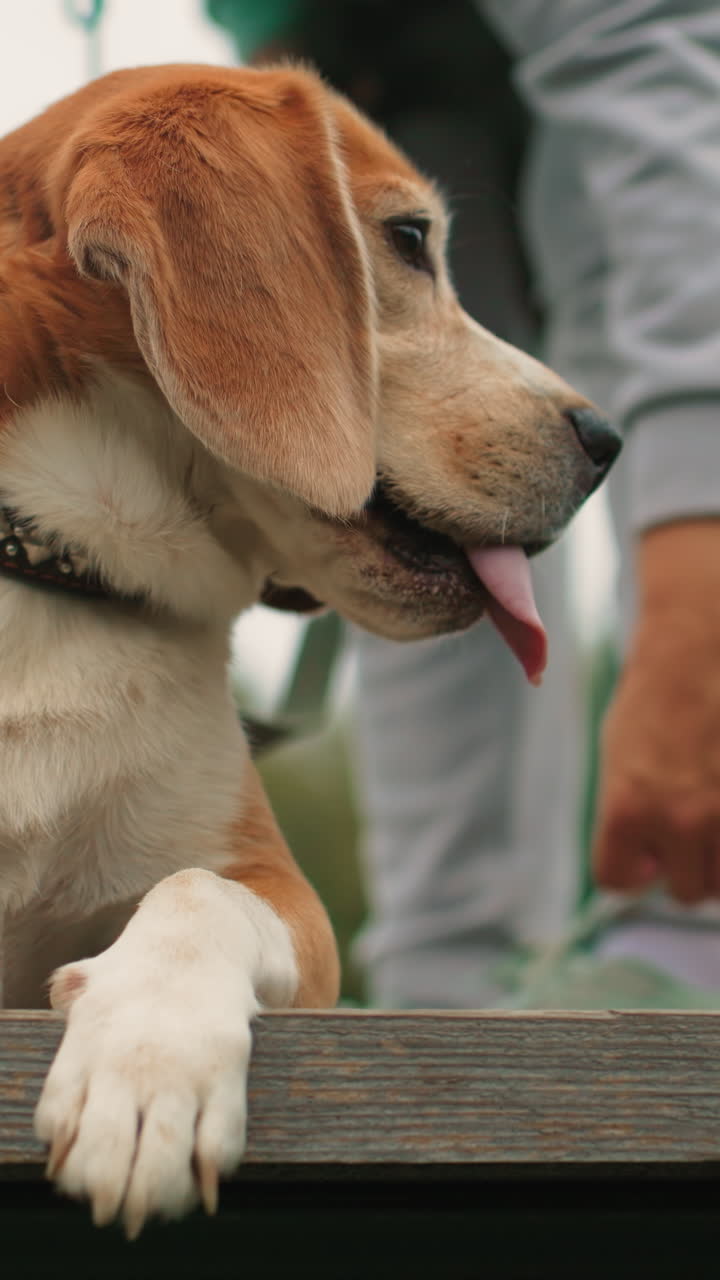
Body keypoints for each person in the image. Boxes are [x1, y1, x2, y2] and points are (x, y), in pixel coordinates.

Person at [208, 0, 720, 1008]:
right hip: (401, 57)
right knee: (431, 461)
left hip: (649, 78)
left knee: (619, 255)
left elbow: (655, 62)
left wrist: (697, 623)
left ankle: (688, 932)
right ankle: (452, 984)